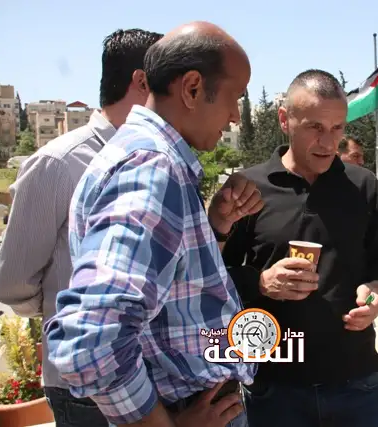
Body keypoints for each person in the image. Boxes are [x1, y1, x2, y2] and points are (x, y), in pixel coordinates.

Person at [44, 22, 263, 427]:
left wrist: (215, 226)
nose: (235, 116)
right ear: (192, 88)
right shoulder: (152, 167)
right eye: (235, 97)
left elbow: (172, 294)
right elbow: (91, 340)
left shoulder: (138, 155)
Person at [0, 28, 162, 427]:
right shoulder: (59, 163)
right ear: (142, 82)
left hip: (154, 375)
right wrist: (73, 310)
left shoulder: (158, 157)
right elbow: (11, 283)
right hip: (87, 391)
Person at [222, 69, 378, 427]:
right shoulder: (246, 188)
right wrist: (261, 282)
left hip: (357, 380)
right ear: (284, 120)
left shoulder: (363, 186)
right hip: (275, 387)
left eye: (337, 128)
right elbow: (212, 275)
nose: (328, 142)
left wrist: (376, 291)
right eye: (315, 127)